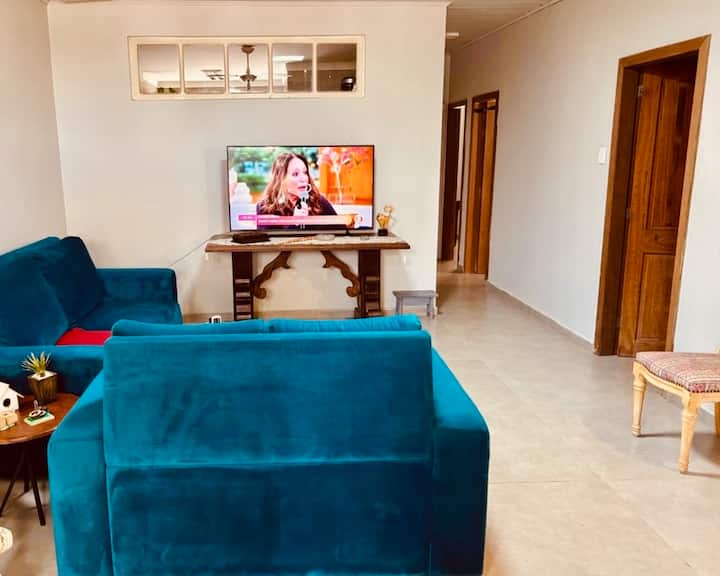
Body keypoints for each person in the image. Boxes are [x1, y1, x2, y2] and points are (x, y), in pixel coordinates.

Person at [256, 152, 336, 218]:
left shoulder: (319, 201)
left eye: (305, 172)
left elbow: (340, 229)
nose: (303, 178)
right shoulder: (264, 207)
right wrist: (295, 222)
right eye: (295, 174)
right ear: (281, 179)